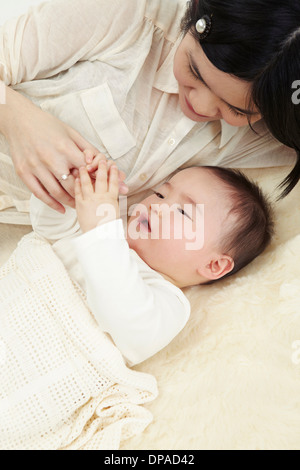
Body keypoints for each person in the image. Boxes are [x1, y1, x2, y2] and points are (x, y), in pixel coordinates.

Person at [0, 0, 299, 224]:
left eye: (234, 108)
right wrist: (18, 120)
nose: (204, 107)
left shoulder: (264, 130)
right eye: (195, 72)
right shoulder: (132, 13)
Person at [29, 156, 274, 365]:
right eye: (160, 194)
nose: (157, 207)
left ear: (213, 265)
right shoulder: (100, 237)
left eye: (182, 212)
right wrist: (70, 190)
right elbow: (50, 229)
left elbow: (130, 322)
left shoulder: (168, 303)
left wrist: (100, 229)